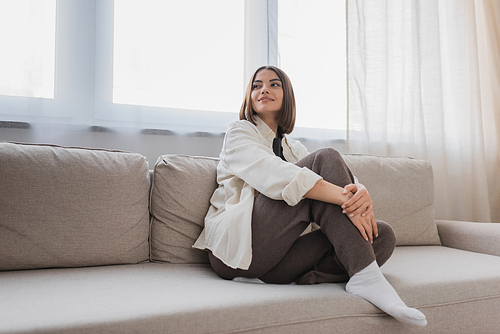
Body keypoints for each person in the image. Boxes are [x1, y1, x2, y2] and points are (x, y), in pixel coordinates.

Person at [193, 65, 427, 326]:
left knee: (381, 235)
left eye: (274, 84)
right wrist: (344, 196)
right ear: (249, 96)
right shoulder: (239, 132)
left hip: (276, 260)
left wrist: (360, 190)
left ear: (287, 95)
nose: (264, 90)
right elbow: (273, 175)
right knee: (325, 159)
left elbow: (331, 183)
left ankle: (294, 279)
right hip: (238, 251)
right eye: (257, 85)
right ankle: (366, 277)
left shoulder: (296, 149)